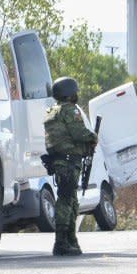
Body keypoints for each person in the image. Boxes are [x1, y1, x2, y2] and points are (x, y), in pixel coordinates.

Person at [43, 77, 97, 257]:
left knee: (71, 199)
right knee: (66, 200)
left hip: (60, 161)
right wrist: (93, 136)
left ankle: (70, 239)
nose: (76, 95)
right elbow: (78, 132)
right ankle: (61, 242)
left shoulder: (52, 111)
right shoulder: (70, 110)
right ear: (69, 93)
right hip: (68, 161)